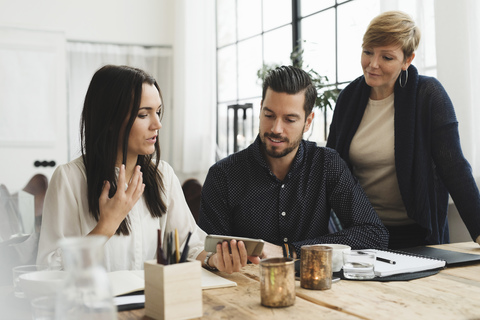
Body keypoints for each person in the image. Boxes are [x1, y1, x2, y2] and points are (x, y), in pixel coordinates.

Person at [37, 65, 258, 273]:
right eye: (143, 114)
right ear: (110, 119)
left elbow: (187, 246)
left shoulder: (163, 175)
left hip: (153, 307)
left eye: (158, 112)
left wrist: (214, 259)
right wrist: (106, 226)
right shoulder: (69, 179)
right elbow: (50, 270)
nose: (157, 124)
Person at [198, 65, 388, 259]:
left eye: (289, 119)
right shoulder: (223, 175)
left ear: (308, 121)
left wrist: (290, 251)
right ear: (260, 109)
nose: (276, 129)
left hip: (315, 285)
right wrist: (216, 260)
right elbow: (207, 253)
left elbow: (373, 234)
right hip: (246, 286)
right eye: (269, 115)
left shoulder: (326, 164)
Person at [326, 11, 480, 249]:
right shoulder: (348, 98)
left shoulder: (429, 95)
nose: (373, 64)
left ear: (407, 60)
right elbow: (332, 168)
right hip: (363, 234)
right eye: (368, 52)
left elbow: (455, 167)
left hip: (418, 234)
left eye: (386, 57)